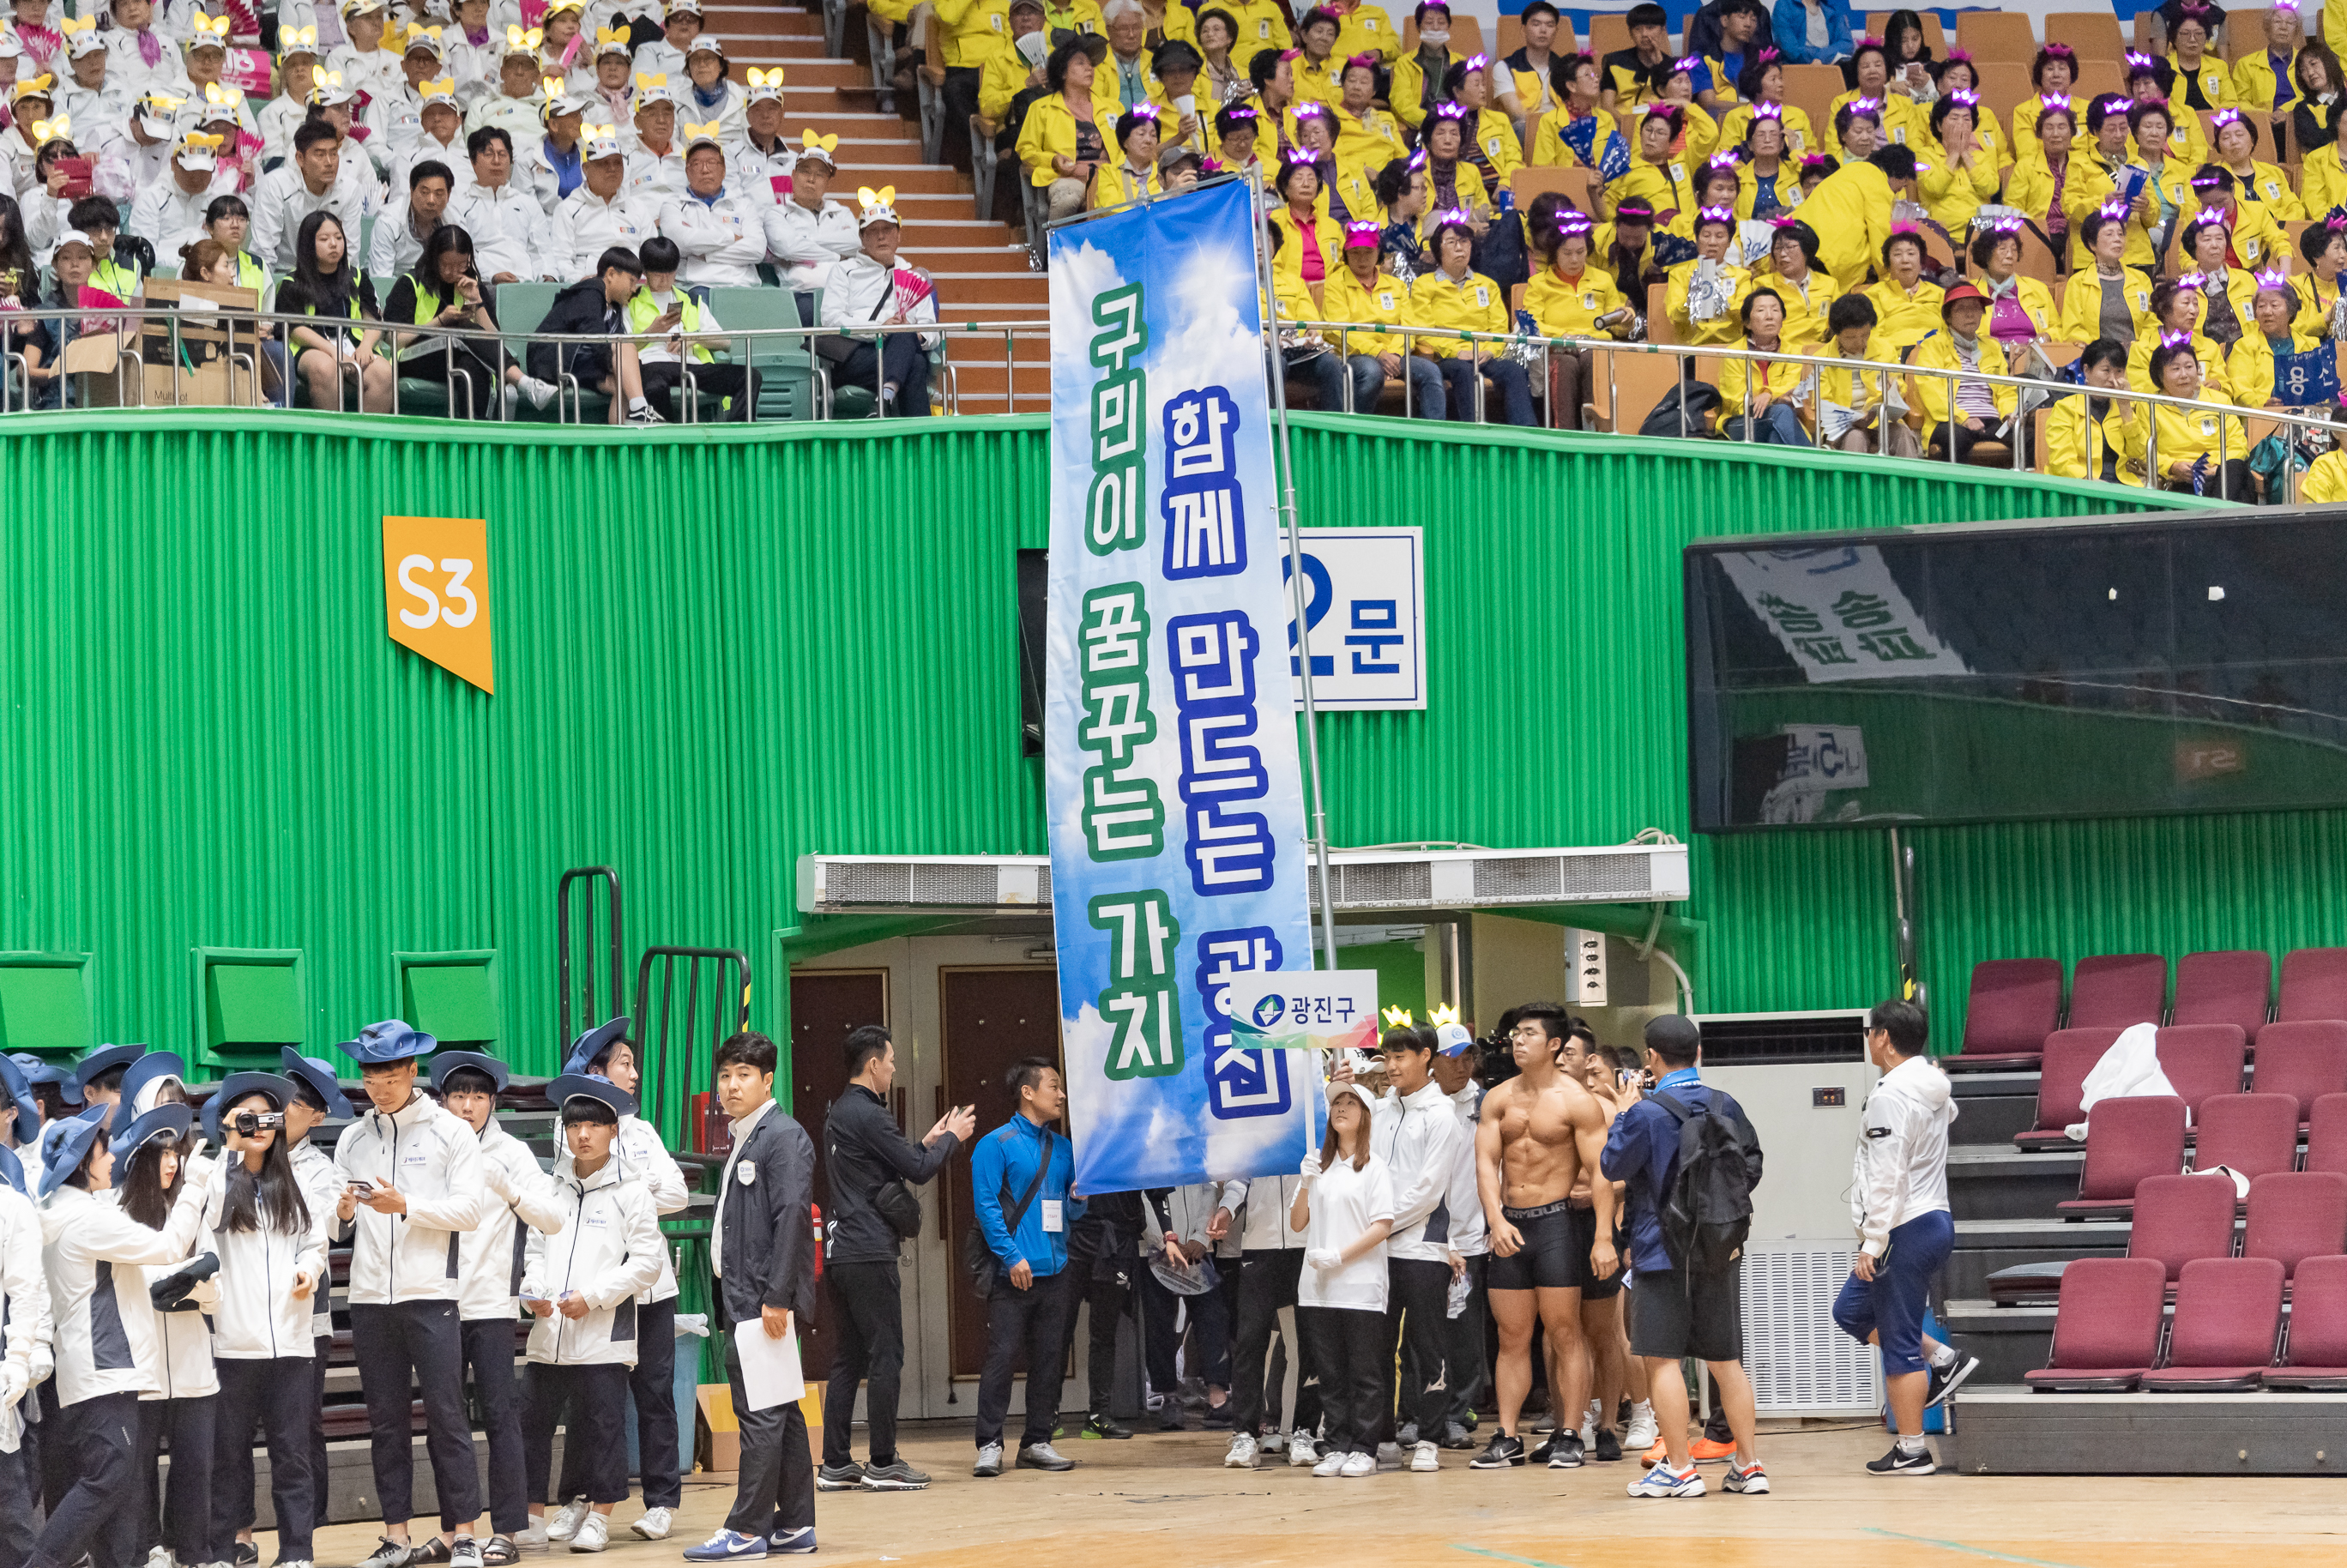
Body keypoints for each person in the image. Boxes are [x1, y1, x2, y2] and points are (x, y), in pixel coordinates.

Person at [332, 1021, 488, 1568]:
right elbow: (333, 1227)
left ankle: (464, 1533)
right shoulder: (352, 1137)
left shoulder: (451, 1132)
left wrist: (406, 1206)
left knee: (447, 1415)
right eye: (371, 1075)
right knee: (386, 1422)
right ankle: (396, 1536)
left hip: (431, 1294)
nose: (379, 1086)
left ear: (412, 1071)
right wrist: (344, 1211)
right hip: (370, 1298)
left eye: (390, 1074)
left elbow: (470, 1212)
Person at [29, 1104, 210, 1568]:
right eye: (103, 1151)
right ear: (83, 1163)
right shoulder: (88, 1220)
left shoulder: (59, 1212)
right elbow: (170, 1246)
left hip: (88, 1372)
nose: (112, 1159)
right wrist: (195, 1187)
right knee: (108, 1480)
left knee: (121, 1498)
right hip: (105, 1370)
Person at [1600, 1014, 1765, 1499]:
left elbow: (1612, 1165)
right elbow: (1751, 1165)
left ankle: (1679, 1468)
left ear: (1651, 1057)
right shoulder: (1725, 1103)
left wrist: (1625, 1110)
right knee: (1725, 1361)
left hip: (1660, 1249)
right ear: (1697, 1053)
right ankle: (1749, 1466)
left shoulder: (1648, 1112)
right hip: (1719, 1248)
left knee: (1662, 1360)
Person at [543, 1020, 691, 1542]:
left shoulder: (643, 1133)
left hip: (649, 1294)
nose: (633, 1073)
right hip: (595, 1297)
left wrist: (625, 1182)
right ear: (595, 1073)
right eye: (623, 1063)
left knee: (654, 1395)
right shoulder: (571, 1139)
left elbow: (675, 1194)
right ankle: (579, 1500)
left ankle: (661, 1502)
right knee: (590, 1402)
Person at [421, 1052, 564, 1565]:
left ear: (492, 1101)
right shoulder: (428, 1146)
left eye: (478, 1095)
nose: (467, 1105)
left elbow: (552, 1217)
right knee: (444, 1420)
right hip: (433, 1304)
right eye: (458, 1095)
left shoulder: (513, 1152)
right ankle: (455, 1530)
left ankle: (507, 1529)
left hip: (492, 1306)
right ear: (443, 1099)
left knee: (502, 1415)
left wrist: (506, 1185)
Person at [817, 1024, 973, 1493]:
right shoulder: (869, 1114)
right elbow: (920, 1172)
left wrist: (925, 1142)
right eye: (891, 1062)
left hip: (841, 1249)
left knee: (847, 1356)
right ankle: (883, 1461)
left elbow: (892, 1160)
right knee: (887, 1353)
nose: (893, 1069)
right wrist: (952, 1140)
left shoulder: (840, 1111)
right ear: (873, 1065)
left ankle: (836, 1463)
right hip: (869, 1251)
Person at [682, 1031, 818, 1562]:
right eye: (725, 1075)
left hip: (763, 1298)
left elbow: (792, 1221)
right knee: (778, 1410)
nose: (732, 1085)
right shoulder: (747, 1133)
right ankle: (795, 1525)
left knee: (759, 1413)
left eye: (744, 1075)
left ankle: (746, 1530)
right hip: (745, 1293)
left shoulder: (783, 1136)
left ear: (768, 1080)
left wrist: (777, 1297)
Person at [518, 1076, 662, 1554]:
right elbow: (534, 1249)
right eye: (574, 1125)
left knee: (604, 1426)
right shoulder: (549, 1186)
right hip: (550, 1332)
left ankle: (601, 1515)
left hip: (604, 1330)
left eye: (594, 1126)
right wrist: (531, 1292)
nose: (583, 1134)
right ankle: (532, 1518)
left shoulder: (633, 1191)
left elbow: (647, 1263)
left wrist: (595, 1296)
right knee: (533, 1423)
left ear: (613, 1131)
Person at [1833, 999, 1976, 1476]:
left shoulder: (1893, 1095)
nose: (1868, 1039)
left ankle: (1912, 1449)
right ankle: (1944, 1358)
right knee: (1850, 1311)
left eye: (1871, 1032)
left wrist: (1873, 1242)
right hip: (1932, 1221)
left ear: (1885, 1039)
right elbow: (1949, 1115)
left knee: (1898, 1343)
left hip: (1905, 1227)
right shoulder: (1929, 1085)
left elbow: (1887, 1175)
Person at [1469, 1004, 1612, 1470]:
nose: (1517, 1041)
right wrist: (1495, 1219)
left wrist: (1604, 1238)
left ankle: (1571, 1432)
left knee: (1565, 1332)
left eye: (1529, 1034)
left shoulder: (1576, 1101)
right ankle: (1507, 1435)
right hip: (1510, 1223)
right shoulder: (1497, 1098)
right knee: (1512, 1336)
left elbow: (1601, 1174)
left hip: (1556, 1225)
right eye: (1514, 1034)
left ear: (1554, 1045)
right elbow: (1485, 1165)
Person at [201, 1073, 329, 1568]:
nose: (260, 1127)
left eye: (268, 1117)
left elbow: (315, 1242)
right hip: (232, 1345)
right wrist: (231, 1147)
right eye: (247, 1117)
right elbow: (200, 1230)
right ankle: (225, 1547)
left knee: (292, 1456)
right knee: (228, 1457)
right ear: (227, 1123)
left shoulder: (291, 1182)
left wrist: (308, 1269)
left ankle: (297, 1551)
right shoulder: (213, 1180)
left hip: (293, 1346)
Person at [969, 1057, 1082, 1479]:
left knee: (1050, 1360)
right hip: (1012, 1273)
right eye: (1054, 1086)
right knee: (1001, 1358)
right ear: (1028, 1092)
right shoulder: (994, 1144)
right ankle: (989, 1444)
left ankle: (1037, 1441)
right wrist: (1011, 1256)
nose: (1061, 1094)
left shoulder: (1065, 1147)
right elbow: (985, 1208)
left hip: (1057, 1271)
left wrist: (1078, 1200)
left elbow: (1070, 1215)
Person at [1366, 1025, 1466, 1473]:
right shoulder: (1380, 1112)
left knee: (1428, 1346)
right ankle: (1382, 1436)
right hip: (1377, 1250)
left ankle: (1429, 1438)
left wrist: (1381, 1225)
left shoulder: (1441, 1114)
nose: (1391, 1066)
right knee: (1377, 1346)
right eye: (1387, 1058)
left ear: (1426, 1056)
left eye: (1401, 1057)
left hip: (1424, 1249)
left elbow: (1430, 1190)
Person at [1293, 1076, 1393, 1479]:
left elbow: (1382, 1224)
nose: (1341, 1109)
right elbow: (1298, 1223)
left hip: (1360, 1285)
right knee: (1330, 1373)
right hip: (1318, 1288)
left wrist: (1340, 1255)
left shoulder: (1374, 1168)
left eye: (1351, 1103)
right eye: (1337, 1103)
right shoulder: (1321, 1167)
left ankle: (1365, 1448)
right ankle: (1336, 1444)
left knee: (1364, 1372)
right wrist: (1304, 1184)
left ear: (1365, 1115)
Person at [385, 226, 562, 419]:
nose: (454, 272)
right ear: (434, 259)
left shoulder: (472, 283)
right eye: (446, 265)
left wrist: (476, 302)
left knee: (473, 362)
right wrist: (440, 321)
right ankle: (525, 383)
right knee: (459, 327)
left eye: (461, 265)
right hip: (412, 359)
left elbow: (494, 339)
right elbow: (395, 340)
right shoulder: (410, 283)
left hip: (452, 359)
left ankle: (473, 433)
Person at [818, 188, 940, 417]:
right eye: (873, 231)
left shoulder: (913, 276)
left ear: (899, 235)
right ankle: (923, 441)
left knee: (913, 356)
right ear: (862, 238)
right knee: (914, 364)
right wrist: (879, 329)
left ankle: (883, 401)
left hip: (898, 353)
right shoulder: (844, 270)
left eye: (887, 229)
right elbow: (831, 318)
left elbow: (931, 331)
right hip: (856, 355)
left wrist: (915, 335)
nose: (881, 236)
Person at [1404, 214, 1533, 425]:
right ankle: (1472, 433)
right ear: (1438, 249)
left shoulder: (1487, 285)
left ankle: (1526, 434)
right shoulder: (1424, 286)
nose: (1459, 248)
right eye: (1452, 242)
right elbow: (1423, 331)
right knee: (1462, 370)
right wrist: (1456, 352)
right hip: (1447, 355)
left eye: (1464, 241)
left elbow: (1500, 327)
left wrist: (1490, 350)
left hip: (1483, 352)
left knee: (1513, 370)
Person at [628, 234, 763, 420]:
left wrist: (694, 338)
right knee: (654, 385)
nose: (665, 280)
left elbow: (725, 342)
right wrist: (652, 332)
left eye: (670, 274)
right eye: (658, 275)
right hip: (652, 364)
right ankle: (667, 438)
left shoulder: (691, 301)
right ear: (645, 272)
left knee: (750, 377)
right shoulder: (631, 300)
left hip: (690, 364)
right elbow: (622, 349)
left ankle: (735, 434)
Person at [525, 245, 665, 424]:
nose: (633, 289)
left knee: (623, 383)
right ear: (611, 274)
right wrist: (616, 363)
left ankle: (620, 439)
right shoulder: (590, 291)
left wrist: (622, 366)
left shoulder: (615, 306)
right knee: (624, 350)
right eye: (631, 281)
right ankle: (640, 409)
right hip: (555, 357)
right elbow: (594, 336)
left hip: (580, 360)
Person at [274, 210, 395, 413]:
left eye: (339, 238)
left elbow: (373, 319)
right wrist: (334, 352)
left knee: (383, 372)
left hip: (354, 345)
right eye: (324, 238)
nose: (334, 244)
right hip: (314, 349)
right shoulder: (291, 283)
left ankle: (367, 441)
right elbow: (295, 328)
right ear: (308, 244)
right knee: (325, 368)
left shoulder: (357, 277)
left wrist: (366, 346)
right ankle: (330, 439)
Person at [1914, 282, 2021, 464]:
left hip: (1992, 420)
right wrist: (1963, 418)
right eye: (1961, 309)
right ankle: (1955, 492)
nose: (1970, 314)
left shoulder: (1992, 347)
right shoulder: (1933, 346)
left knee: (2028, 436)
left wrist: (2009, 413)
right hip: (1951, 422)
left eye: (1975, 308)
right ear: (1948, 316)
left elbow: (2005, 390)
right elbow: (1931, 392)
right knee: (1957, 438)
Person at [659, 124, 767, 287]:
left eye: (712, 162)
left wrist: (704, 255)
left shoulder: (744, 205)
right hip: (694, 286)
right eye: (696, 164)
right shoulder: (673, 205)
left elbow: (757, 250)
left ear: (723, 170)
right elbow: (682, 242)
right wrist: (731, 237)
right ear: (687, 171)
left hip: (741, 286)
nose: (705, 169)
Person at [1819, 293, 1920, 457]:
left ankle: (1911, 482)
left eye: (1865, 335)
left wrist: (1893, 390)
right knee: (1856, 437)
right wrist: (1851, 418)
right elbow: (1822, 403)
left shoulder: (1884, 349)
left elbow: (1900, 386)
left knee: (1903, 434)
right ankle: (1854, 484)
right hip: (1843, 426)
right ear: (1836, 333)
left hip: (1880, 421)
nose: (1860, 342)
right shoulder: (1821, 359)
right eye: (1851, 337)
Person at [2044, 337, 2148, 485]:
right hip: (2081, 486)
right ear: (2087, 370)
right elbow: (2061, 461)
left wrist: (2126, 409)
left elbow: (2140, 455)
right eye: (2106, 371)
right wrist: (2089, 481)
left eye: (2119, 372)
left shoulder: (2124, 408)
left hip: (2123, 486)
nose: (2113, 379)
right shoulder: (2065, 408)